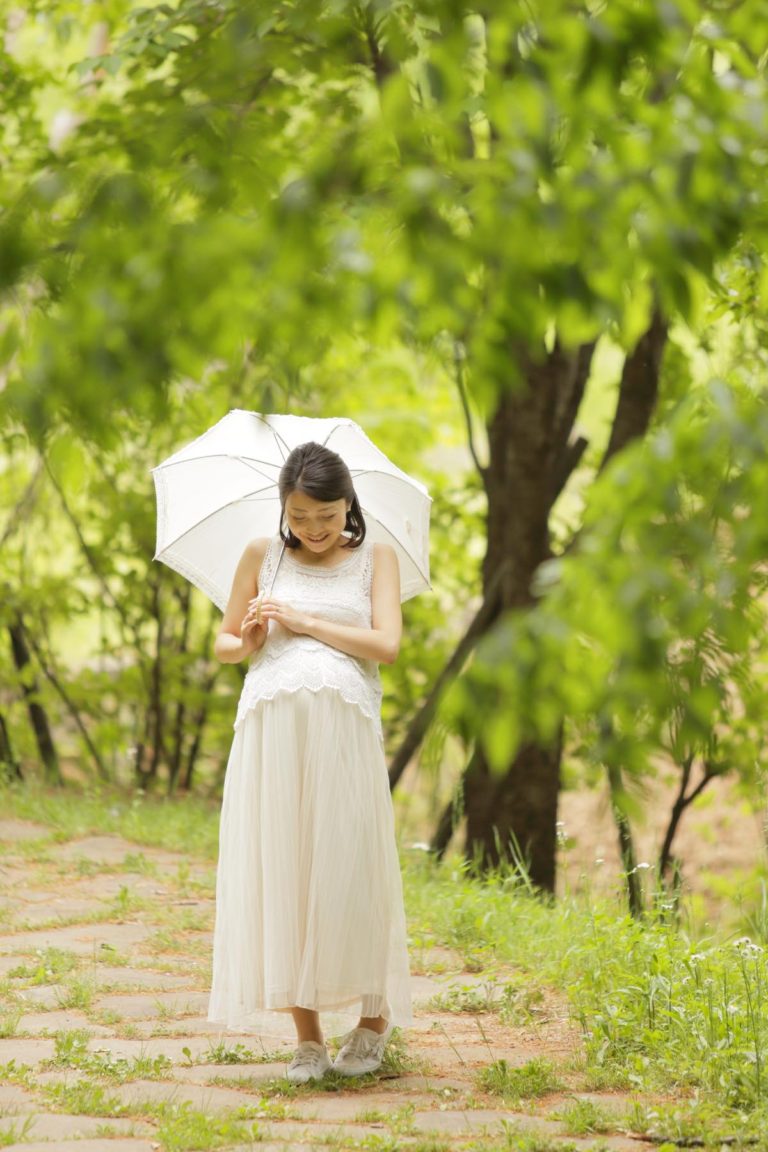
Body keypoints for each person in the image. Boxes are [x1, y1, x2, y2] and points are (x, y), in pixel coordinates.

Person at [207, 441, 413, 1082]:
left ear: (348, 504)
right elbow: (222, 643)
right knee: (286, 870)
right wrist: (248, 640)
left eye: (326, 515)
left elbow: (386, 645)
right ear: (283, 508)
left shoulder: (376, 558)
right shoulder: (260, 556)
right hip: (272, 735)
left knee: (352, 865)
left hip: (343, 733)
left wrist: (303, 620)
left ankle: (374, 1021)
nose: (314, 529)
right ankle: (307, 1039)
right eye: (299, 516)